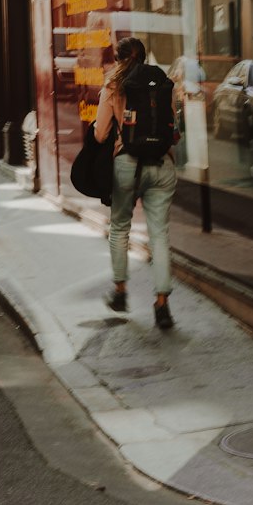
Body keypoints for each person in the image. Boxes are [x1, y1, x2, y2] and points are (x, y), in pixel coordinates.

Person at [95, 37, 177, 329]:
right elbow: (174, 129)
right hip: (162, 165)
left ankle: (120, 292)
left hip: (127, 166)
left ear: (118, 59)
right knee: (160, 235)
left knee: (119, 229)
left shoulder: (113, 85)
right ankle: (163, 304)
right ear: (144, 56)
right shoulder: (162, 82)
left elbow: (101, 134)